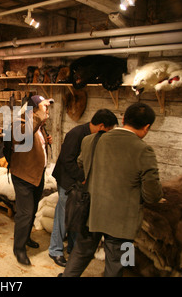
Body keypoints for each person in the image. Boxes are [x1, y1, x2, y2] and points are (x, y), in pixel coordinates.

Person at [62, 102, 164, 277]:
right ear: (147, 127)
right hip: (124, 222)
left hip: (91, 213)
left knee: (79, 255)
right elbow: (152, 195)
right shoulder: (144, 150)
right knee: (118, 266)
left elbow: (81, 164)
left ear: (123, 119)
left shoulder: (90, 140)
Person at [48, 109, 118, 267]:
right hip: (68, 181)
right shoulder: (77, 133)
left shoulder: (95, 137)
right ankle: (55, 250)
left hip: (79, 183)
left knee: (77, 216)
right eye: (109, 129)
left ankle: (73, 248)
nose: (109, 133)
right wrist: (83, 177)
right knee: (64, 216)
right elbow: (67, 160)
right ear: (101, 126)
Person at [10, 95, 53, 265]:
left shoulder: (39, 125)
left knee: (33, 209)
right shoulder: (19, 123)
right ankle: (18, 249)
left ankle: (26, 238)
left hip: (36, 174)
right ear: (33, 109)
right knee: (25, 213)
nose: (47, 110)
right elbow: (24, 135)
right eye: (43, 106)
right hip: (23, 176)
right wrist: (38, 116)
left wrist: (44, 142)